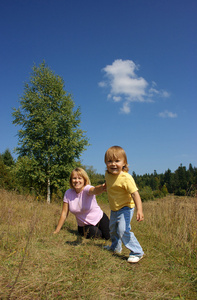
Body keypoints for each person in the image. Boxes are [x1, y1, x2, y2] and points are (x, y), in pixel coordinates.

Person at [104, 146, 144, 263]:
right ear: (105, 163)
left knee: (123, 230)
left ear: (124, 163)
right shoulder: (108, 175)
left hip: (126, 208)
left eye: (117, 161)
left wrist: (139, 210)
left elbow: (135, 194)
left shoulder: (126, 178)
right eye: (110, 161)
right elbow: (109, 184)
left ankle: (137, 252)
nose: (113, 164)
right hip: (114, 208)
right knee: (113, 230)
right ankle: (115, 248)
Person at [54, 167, 110, 240]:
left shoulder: (87, 189)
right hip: (84, 226)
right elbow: (64, 213)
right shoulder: (68, 193)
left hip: (100, 218)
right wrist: (56, 231)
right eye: (74, 178)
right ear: (71, 180)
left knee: (110, 237)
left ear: (84, 180)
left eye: (80, 178)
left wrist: (102, 187)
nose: (77, 181)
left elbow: (95, 190)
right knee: (98, 235)